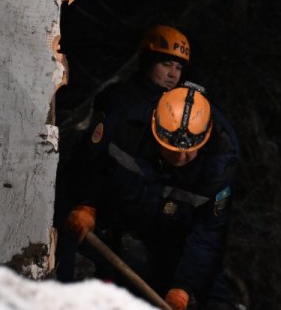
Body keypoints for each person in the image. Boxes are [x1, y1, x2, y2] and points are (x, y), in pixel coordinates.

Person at [62, 82, 241, 310]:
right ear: (155, 129)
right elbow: (91, 163)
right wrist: (86, 204)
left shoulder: (220, 161)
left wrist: (182, 286)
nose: (180, 158)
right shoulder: (126, 123)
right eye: (172, 150)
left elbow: (208, 233)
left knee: (212, 282)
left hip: (178, 228)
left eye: (188, 152)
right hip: (123, 213)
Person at [56, 25, 194, 281]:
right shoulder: (119, 99)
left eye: (178, 68)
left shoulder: (173, 111)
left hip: (120, 215)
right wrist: (87, 204)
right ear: (148, 61)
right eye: (166, 64)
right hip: (83, 203)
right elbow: (93, 155)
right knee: (61, 268)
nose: (173, 74)